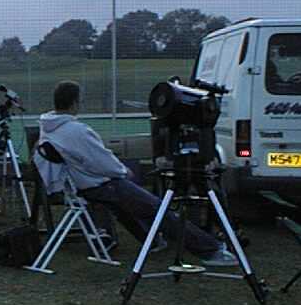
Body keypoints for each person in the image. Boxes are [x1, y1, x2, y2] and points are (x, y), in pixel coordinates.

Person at [38, 81, 238, 267]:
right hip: (99, 185)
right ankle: (211, 251)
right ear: (75, 102)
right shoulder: (76, 131)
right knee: (158, 210)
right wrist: (122, 171)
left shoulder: (48, 127)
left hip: (82, 185)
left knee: (127, 206)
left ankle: (153, 241)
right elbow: (100, 161)